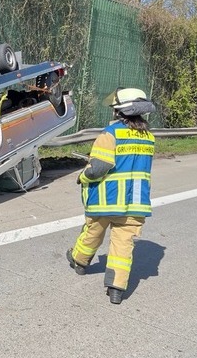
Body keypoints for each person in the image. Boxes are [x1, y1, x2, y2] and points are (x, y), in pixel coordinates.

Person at [66, 88, 156, 304]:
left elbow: (98, 168)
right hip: (135, 203)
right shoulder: (149, 138)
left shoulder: (111, 134)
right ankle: (116, 288)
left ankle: (79, 262)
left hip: (106, 200)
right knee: (123, 245)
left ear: (118, 111)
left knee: (93, 233)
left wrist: (82, 177)